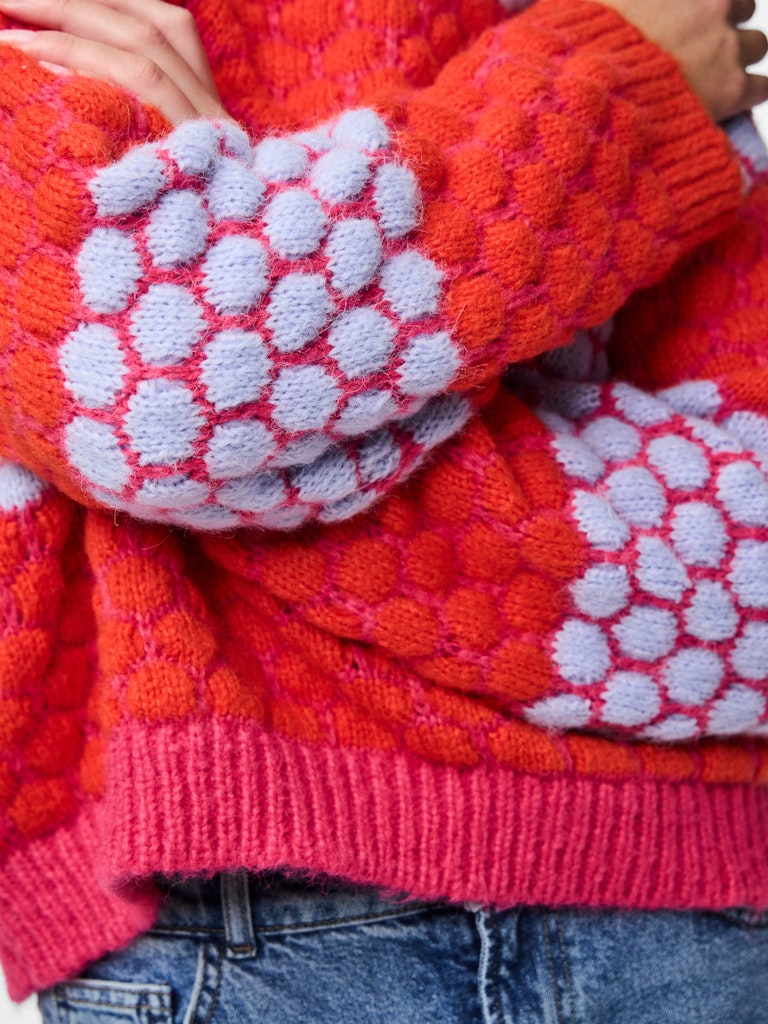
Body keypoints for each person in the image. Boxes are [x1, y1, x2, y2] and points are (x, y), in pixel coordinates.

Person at [0, 0, 766, 1020]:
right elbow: (161, 393)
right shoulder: (639, 49)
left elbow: (755, 567)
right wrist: (605, 99)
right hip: (241, 918)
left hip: (699, 913)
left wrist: (276, 287)